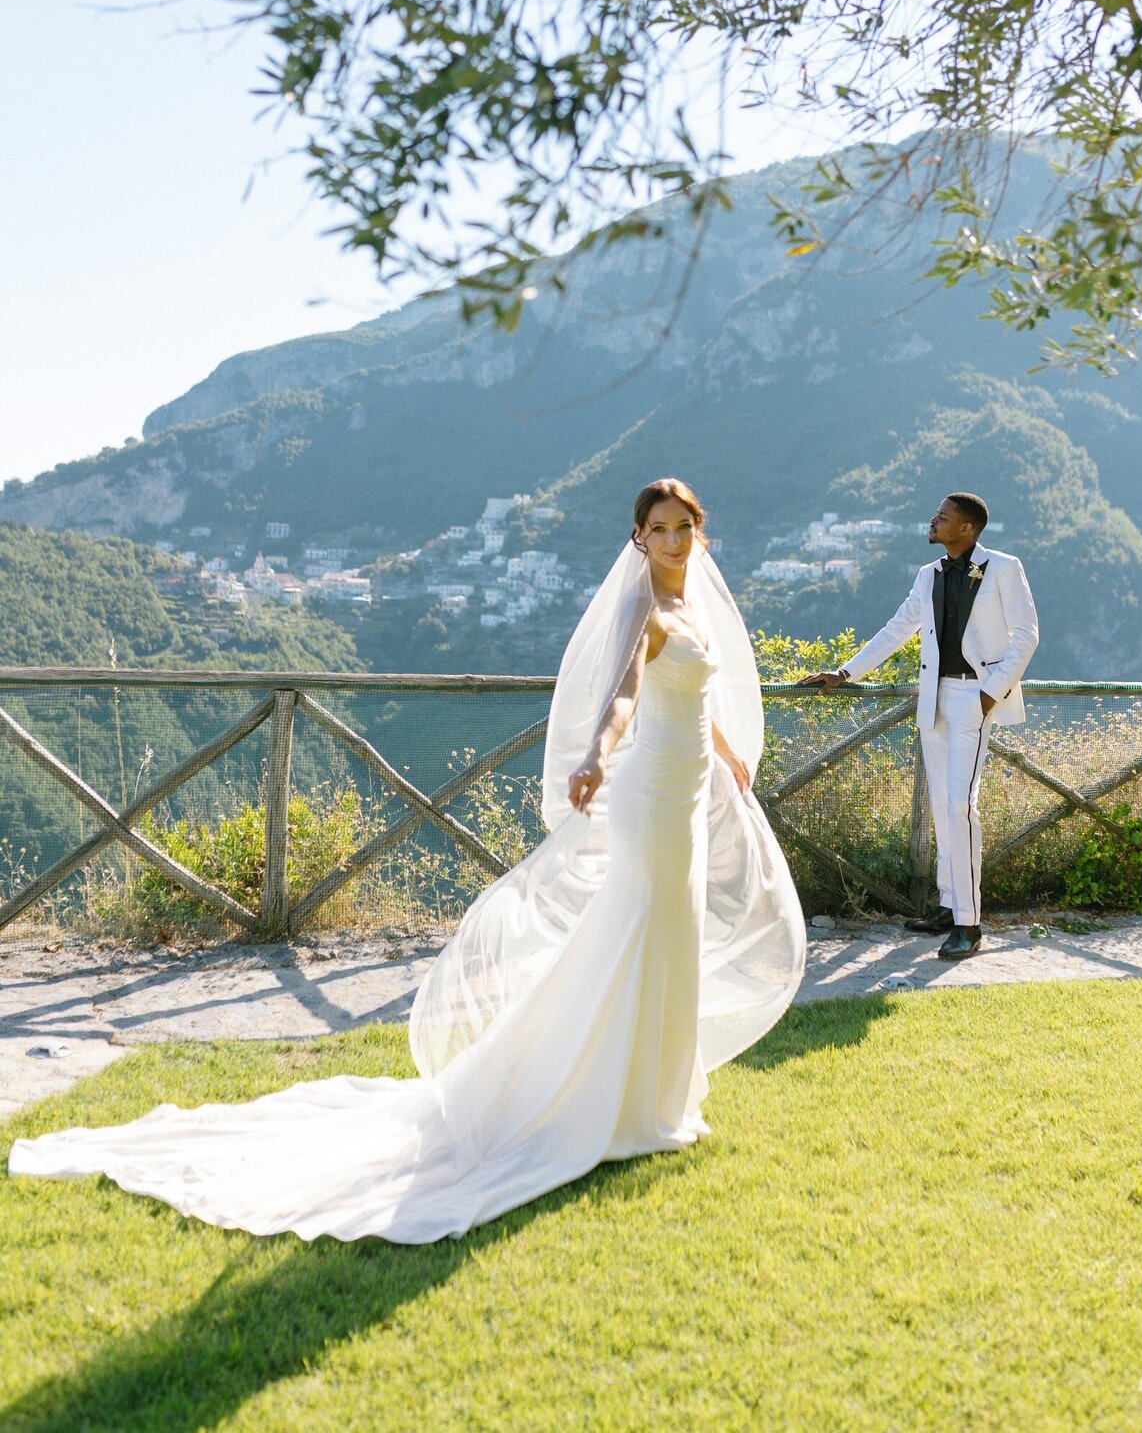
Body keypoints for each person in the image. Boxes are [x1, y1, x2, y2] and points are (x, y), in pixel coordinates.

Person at [10, 480, 805, 1243]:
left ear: (701, 532)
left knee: (670, 932)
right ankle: (597, 1102)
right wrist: (596, 755)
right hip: (648, 797)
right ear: (639, 539)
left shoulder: (693, 602)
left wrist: (732, 755)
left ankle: (656, 1099)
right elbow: (626, 692)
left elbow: (693, 692)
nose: (671, 541)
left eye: (682, 527)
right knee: (637, 928)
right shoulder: (646, 608)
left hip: (691, 787)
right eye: (657, 529)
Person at [803, 493, 1038, 962]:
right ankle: (950, 907)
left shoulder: (1004, 568)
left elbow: (1027, 634)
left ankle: (969, 926)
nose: (933, 521)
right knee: (941, 805)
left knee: (960, 805)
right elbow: (896, 629)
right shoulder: (928, 575)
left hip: (976, 696)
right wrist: (845, 672)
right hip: (933, 700)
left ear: (967, 528)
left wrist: (990, 692)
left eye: (943, 517)